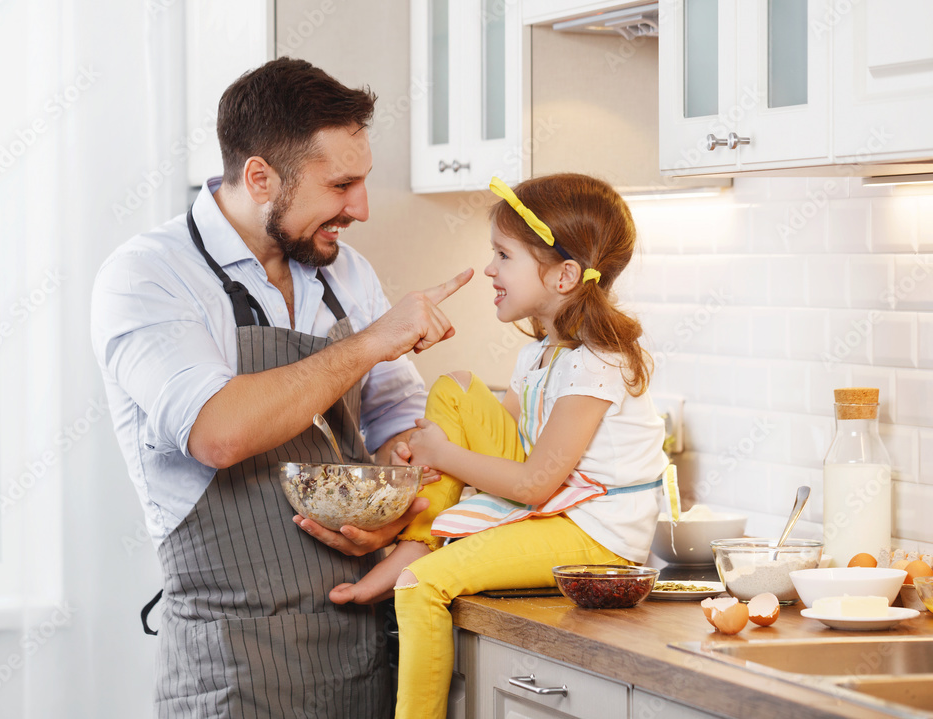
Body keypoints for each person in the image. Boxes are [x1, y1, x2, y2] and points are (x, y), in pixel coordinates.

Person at [90, 57, 471, 719]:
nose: (361, 208)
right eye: (341, 184)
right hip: (232, 671)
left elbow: (402, 424)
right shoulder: (149, 275)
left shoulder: (345, 272)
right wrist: (374, 339)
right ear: (260, 176)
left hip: (357, 656)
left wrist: (394, 508)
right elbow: (218, 430)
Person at [330, 173, 670, 718]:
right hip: (556, 510)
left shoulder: (598, 362)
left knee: (421, 586)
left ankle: (416, 566)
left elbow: (535, 483)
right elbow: (495, 453)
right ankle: (419, 539)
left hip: (595, 535)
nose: (490, 268)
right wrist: (424, 452)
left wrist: (442, 454)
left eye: (504, 255)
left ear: (563, 276)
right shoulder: (539, 355)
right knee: (455, 387)